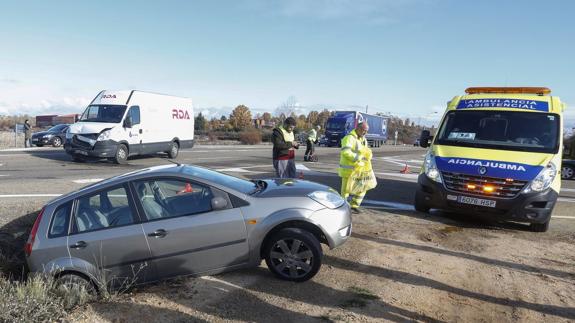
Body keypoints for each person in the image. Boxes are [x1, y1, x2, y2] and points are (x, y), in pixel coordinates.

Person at [338, 122, 373, 214]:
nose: (365, 132)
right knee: (346, 190)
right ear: (358, 128)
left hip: (359, 169)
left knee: (363, 187)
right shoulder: (349, 138)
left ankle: (354, 206)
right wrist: (359, 158)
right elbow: (345, 152)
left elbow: (365, 151)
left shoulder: (363, 139)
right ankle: (343, 207)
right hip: (348, 170)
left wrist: (368, 156)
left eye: (366, 131)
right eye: (363, 130)